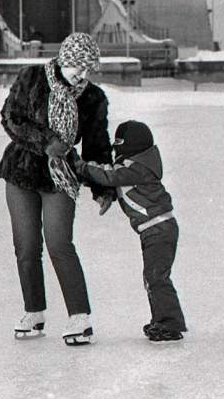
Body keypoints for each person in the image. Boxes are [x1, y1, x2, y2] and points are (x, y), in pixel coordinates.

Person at [0, 32, 115, 346]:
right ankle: (34, 313)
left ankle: (80, 317)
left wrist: (102, 188)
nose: (82, 74)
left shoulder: (93, 98)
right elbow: (10, 118)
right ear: (63, 59)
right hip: (20, 172)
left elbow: (97, 146)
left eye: (88, 68)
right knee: (26, 246)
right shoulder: (32, 78)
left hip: (60, 176)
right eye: (77, 65)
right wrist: (47, 142)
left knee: (60, 243)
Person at [72, 120, 188, 343]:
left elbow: (110, 175)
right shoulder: (135, 166)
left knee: (156, 277)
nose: (116, 152)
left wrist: (81, 166)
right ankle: (162, 320)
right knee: (153, 277)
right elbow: (115, 181)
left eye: (119, 146)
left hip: (159, 228)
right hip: (153, 229)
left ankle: (170, 323)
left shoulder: (137, 168)